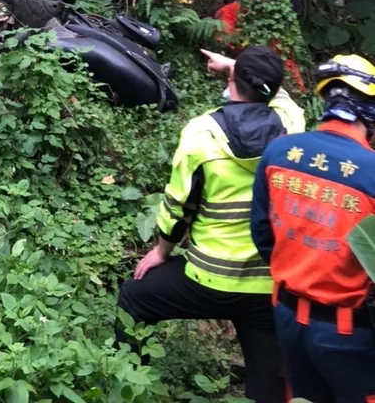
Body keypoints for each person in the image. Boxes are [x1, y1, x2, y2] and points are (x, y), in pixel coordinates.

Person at [117, 46, 305, 403]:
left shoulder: (202, 133)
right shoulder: (291, 127)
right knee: (267, 383)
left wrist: (161, 252)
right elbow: (283, 97)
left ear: (232, 80)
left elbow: (177, 208)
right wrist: (240, 69)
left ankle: (129, 385)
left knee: (133, 298)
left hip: (207, 279)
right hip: (267, 283)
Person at [250, 54, 375, 403]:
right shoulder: (371, 172)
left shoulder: (278, 152)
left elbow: (262, 233)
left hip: (288, 318)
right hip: (349, 331)